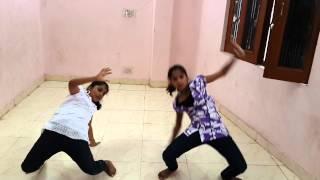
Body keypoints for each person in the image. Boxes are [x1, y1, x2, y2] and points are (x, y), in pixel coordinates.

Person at [21, 67, 116, 177]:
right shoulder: (79, 92)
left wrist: (92, 141)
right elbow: (72, 83)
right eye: (99, 89)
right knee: (27, 167)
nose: (101, 94)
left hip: (77, 138)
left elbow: (88, 124)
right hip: (54, 131)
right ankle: (41, 158)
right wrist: (94, 77)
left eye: (103, 94)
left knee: (91, 169)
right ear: (90, 87)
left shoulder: (92, 107)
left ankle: (104, 164)